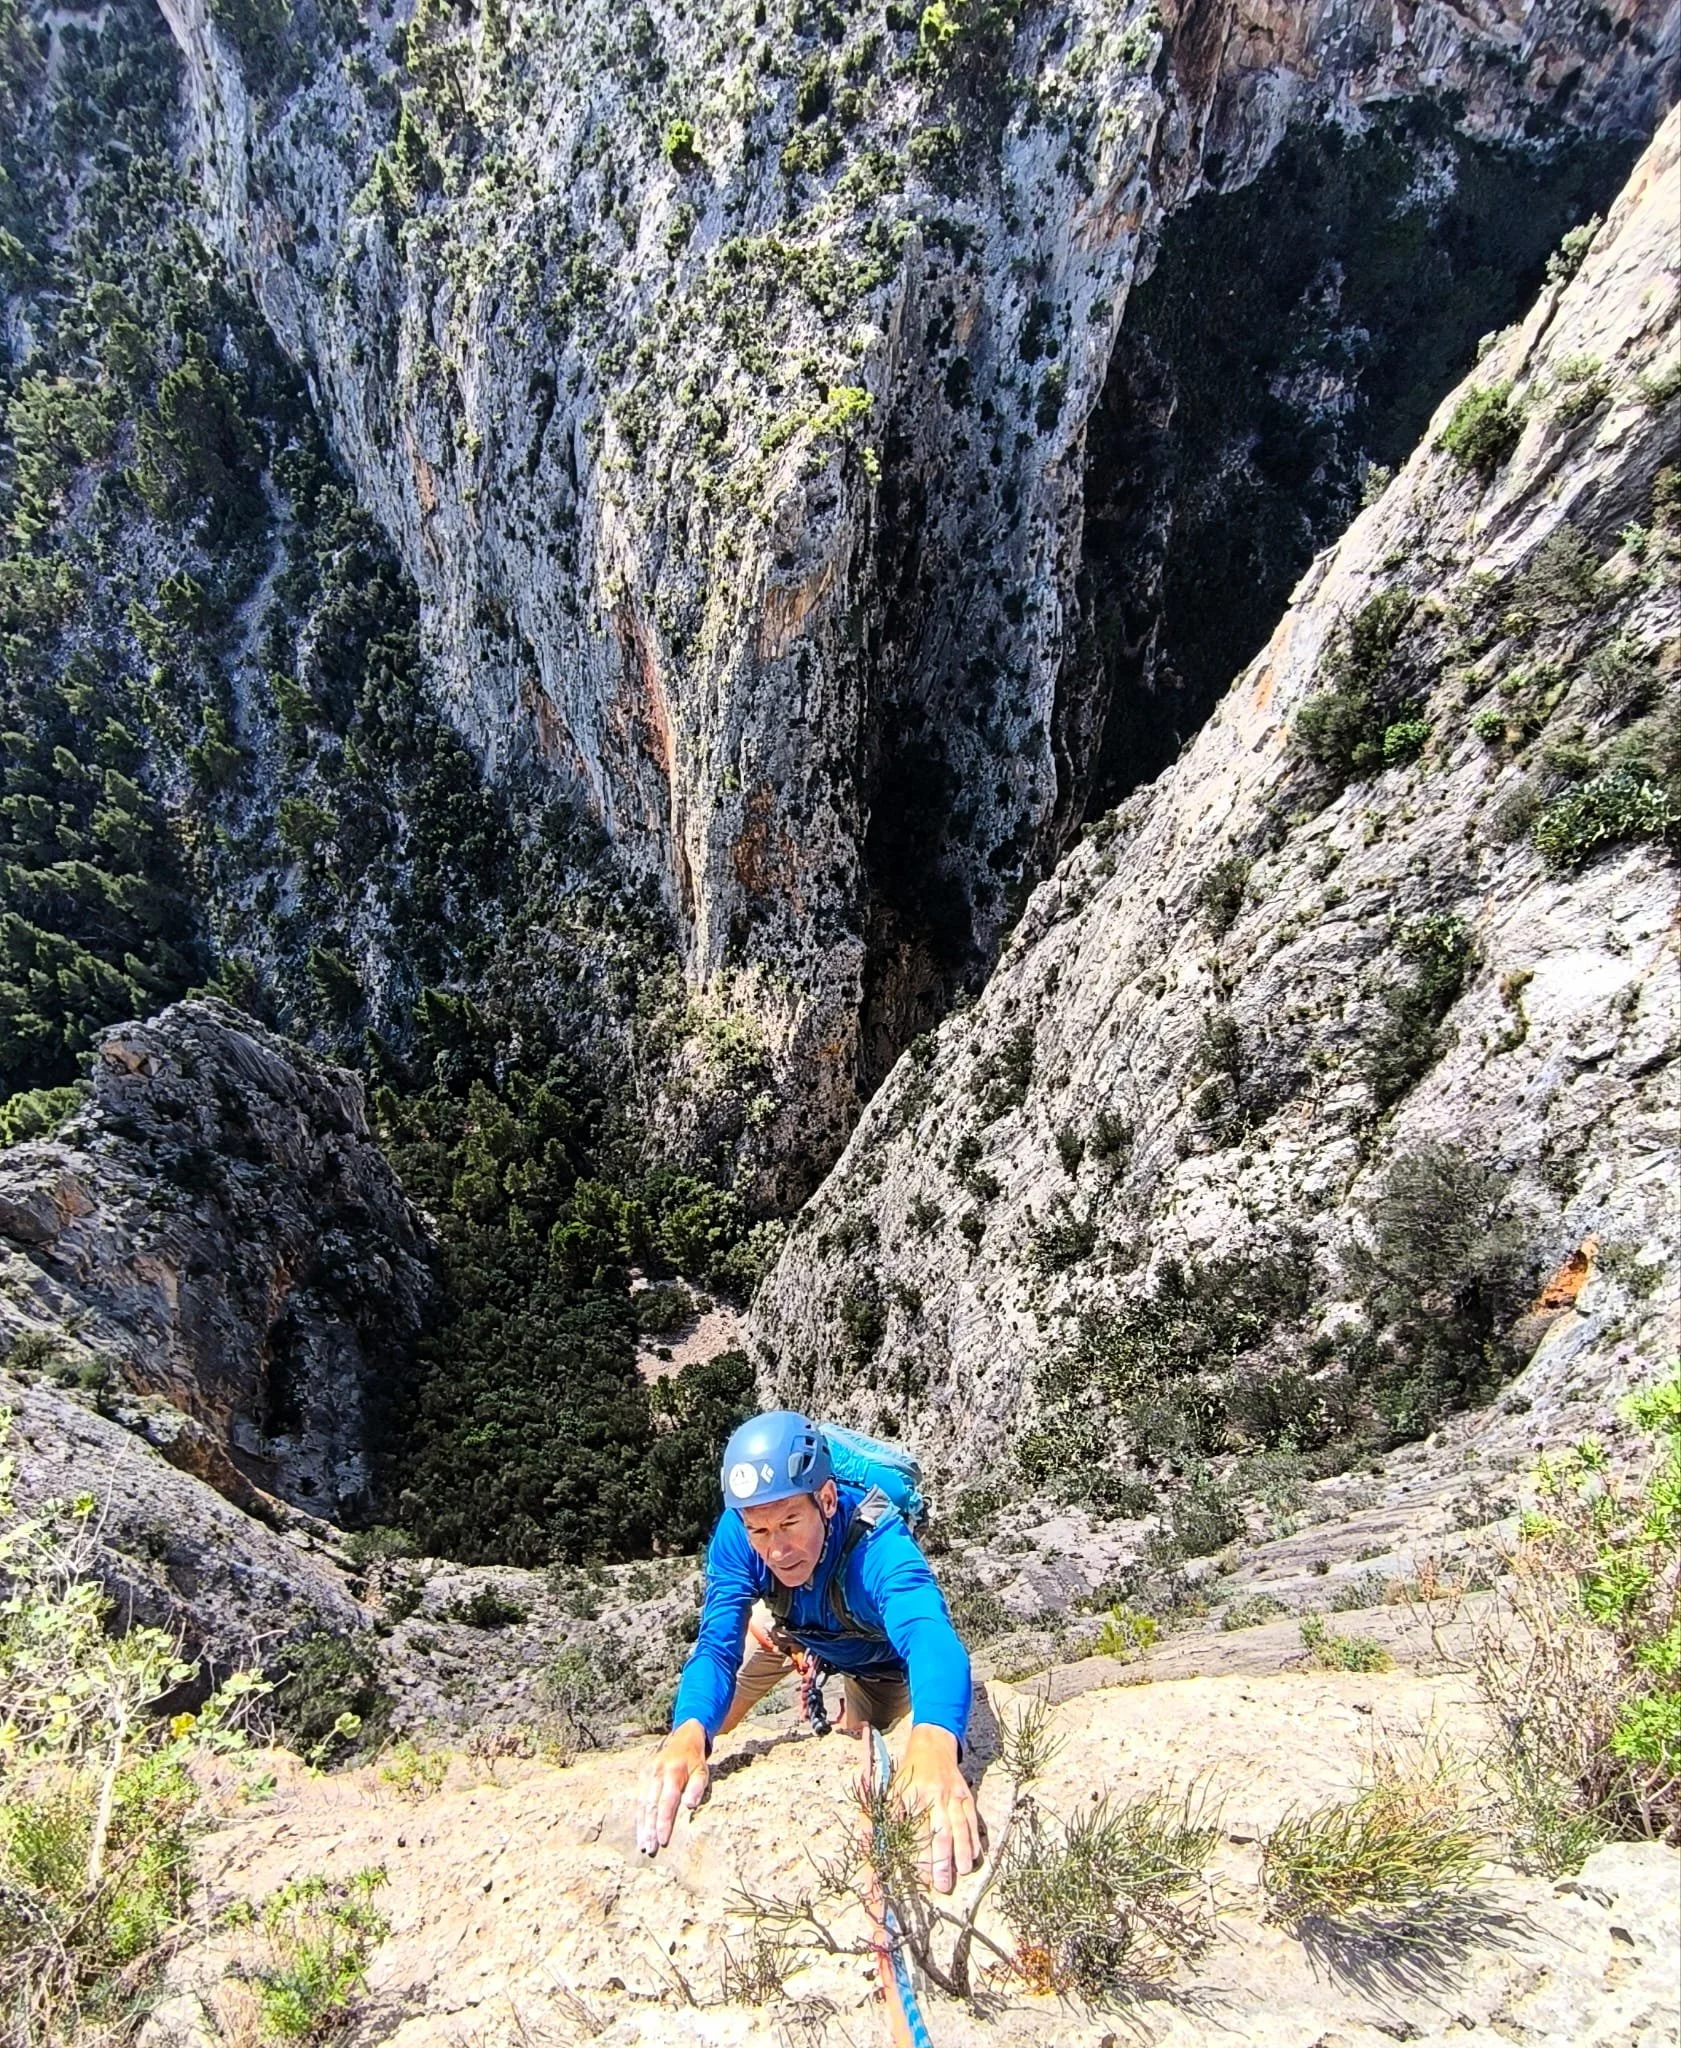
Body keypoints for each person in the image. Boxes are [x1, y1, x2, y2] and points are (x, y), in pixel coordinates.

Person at [636, 1410, 980, 1891]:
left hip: (872, 1661)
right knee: (706, 1727)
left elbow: (929, 1636)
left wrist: (935, 1739)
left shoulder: (878, 1547)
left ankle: (843, 1710)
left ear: (827, 1498)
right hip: (788, 1628)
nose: (776, 1550)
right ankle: (687, 1743)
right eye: (760, 1531)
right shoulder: (741, 1535)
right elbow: (717, 1645)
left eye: (790, 1522)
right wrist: (689, 1731)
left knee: (865, 1741)